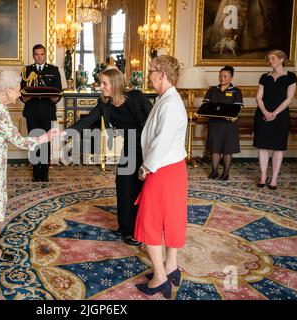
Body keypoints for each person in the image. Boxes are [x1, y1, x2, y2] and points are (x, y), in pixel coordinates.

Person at [0, 70, 57, 262]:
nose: (20, 94)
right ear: (8, 91)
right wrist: (45, 137)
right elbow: (18, 140)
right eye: (18, 90)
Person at [60, 68, 153, 246]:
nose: (100, 86)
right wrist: (64, 133)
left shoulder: (136, 97)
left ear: (115, 84)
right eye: (100, 83)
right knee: (124, 184)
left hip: (148, 148)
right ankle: (126, 228)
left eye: (104, 83)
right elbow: (86, 121)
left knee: (143, 187)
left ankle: (143, 229)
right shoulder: (104, 103)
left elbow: (153, 122)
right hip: (130, 146)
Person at [134, 55, 187, 298]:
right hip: (172, 169)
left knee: (150, 221)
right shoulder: (167, 99)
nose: (149, 74)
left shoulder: (170, 103)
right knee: (171, 218)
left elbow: (162, 143)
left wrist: (146, 167)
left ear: (163, 74)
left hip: (162, 169)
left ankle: (160, 278)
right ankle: (171, 267)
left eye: (152, 70)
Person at [254, 50, 297, 190]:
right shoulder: (264, 77)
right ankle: (263, 175)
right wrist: (266, 112)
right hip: (263, 115)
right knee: (263, 147)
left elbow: (289, 98)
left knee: (278, 148)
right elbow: (258, 97)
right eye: (268, 59)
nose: (270, 61)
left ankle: (274, 178)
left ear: (281, 59)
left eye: (272, 58)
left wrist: (275, 113)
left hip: (281, 116)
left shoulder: (290, 76)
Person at [20, 44, 62, 182]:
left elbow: (58, 91)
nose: (39, 57)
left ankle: (44, 173)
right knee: (33, 142)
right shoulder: (26, 71)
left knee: (44, 142)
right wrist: (23, 98)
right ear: (33, 55)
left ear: (45, 55)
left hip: (46, 112)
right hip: (31, 111)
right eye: (36, 54)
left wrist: (56, 98)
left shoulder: (53, 70)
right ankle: (35, 172)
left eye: (41, 54)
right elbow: (22, 91)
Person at [203, 65, 243, 181]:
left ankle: (225, 173)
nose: (222, 78)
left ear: (231, 78)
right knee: (214, 148)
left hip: (229, 125)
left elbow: (238, 108)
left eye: (225, 76)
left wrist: (231, 116)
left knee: (227, 149)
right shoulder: (212, 90)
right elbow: (206, 106)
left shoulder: (236, 91)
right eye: (220, 76)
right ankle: (214, 171)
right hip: (214, 124)